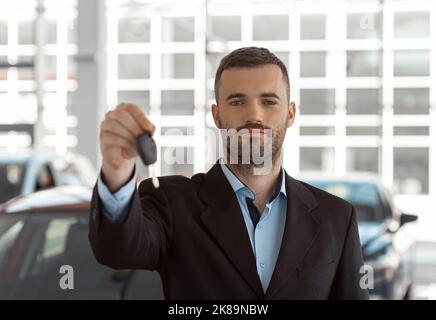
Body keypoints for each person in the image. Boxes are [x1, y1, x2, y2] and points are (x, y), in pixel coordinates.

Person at [89, 47, 369, 300]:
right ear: (217, 115)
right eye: (237, 102)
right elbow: (118, 249)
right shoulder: (173, 203)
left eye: (269, 102)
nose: (254, 115)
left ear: (291, 113)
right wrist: (117, 171)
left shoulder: (337, 218)